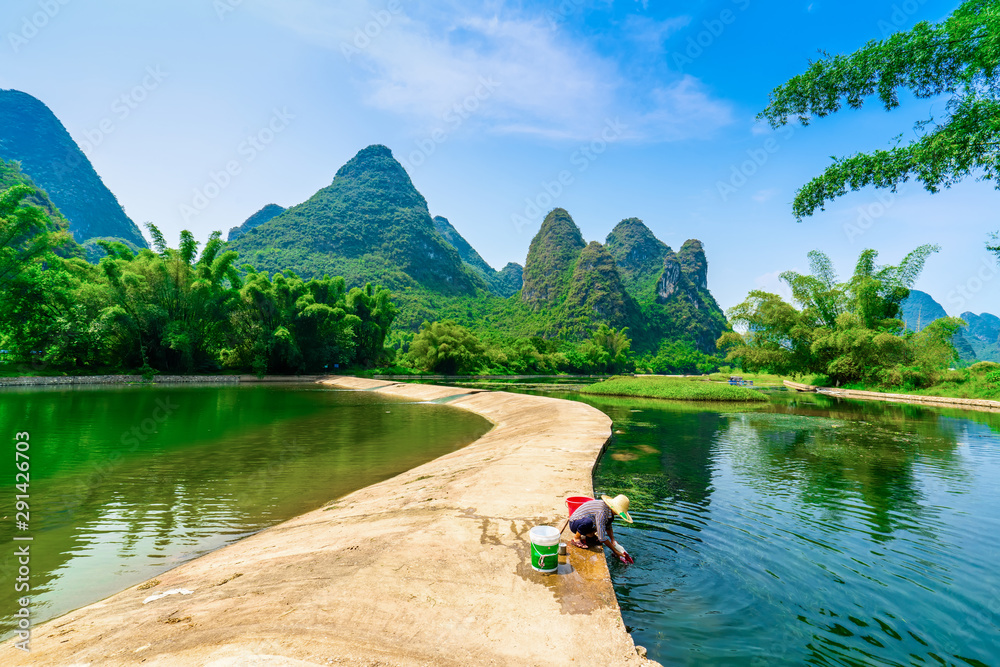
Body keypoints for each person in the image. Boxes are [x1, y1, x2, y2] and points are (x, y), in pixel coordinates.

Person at [568, 494, 635, 564]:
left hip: (586, 522)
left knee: (596, 542)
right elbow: (602, 538)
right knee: (588, 523)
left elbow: (608, 526)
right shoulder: (602, 512)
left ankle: (589, 534)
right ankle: (576, 538)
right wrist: (615, 551)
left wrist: (613, 540)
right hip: (574, 523)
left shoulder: (609, 512)